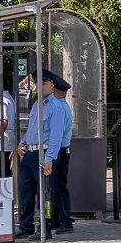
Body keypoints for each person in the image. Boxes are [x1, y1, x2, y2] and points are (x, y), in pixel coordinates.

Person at [16, 70, 71, 237]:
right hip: (29, 152)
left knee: (45, 194)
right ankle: (26, 226)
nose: (41, 86)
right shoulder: (36, 105)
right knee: (25, 191)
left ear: (52, 86)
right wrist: (22, 143)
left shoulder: (57, 108)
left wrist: (49, 160)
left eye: (45, 83)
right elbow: (31, 129)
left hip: (44, 151)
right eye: (38, 83)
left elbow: (56, 137)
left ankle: (45, 227)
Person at [47, 73, 74, 233]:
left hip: (60, 151)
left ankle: (65, 219)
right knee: (56, 186)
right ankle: (58, 218)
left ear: (54, 91)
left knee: (59, 185)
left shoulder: (60, 109)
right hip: (61, 150)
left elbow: (57, 133)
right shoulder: (62, 107)